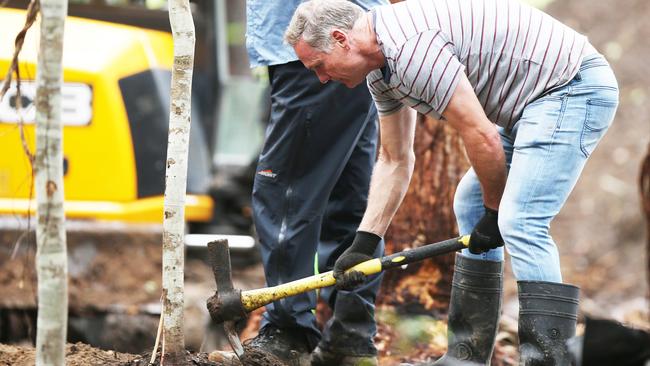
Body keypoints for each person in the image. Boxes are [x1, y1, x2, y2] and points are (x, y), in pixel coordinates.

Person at [285, 0, 619, 365]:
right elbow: (395, 158)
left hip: (571, 88)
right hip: (530, 105)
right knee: (471, 203)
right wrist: (365, 242)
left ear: (340, 39)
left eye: (319, 65)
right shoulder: (381, 74)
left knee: (521, 221)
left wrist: (495, 214)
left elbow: (482, 135)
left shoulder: (411, 50)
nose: (320, 78)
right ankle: (466, 357)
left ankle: (549, 360)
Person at [244, 1, 388, 365]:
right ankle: (350, 336)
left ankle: (288, 333)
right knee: (348, 198)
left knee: (283, 193)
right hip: (354, 39)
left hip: (317, 48)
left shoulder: (322, 62)